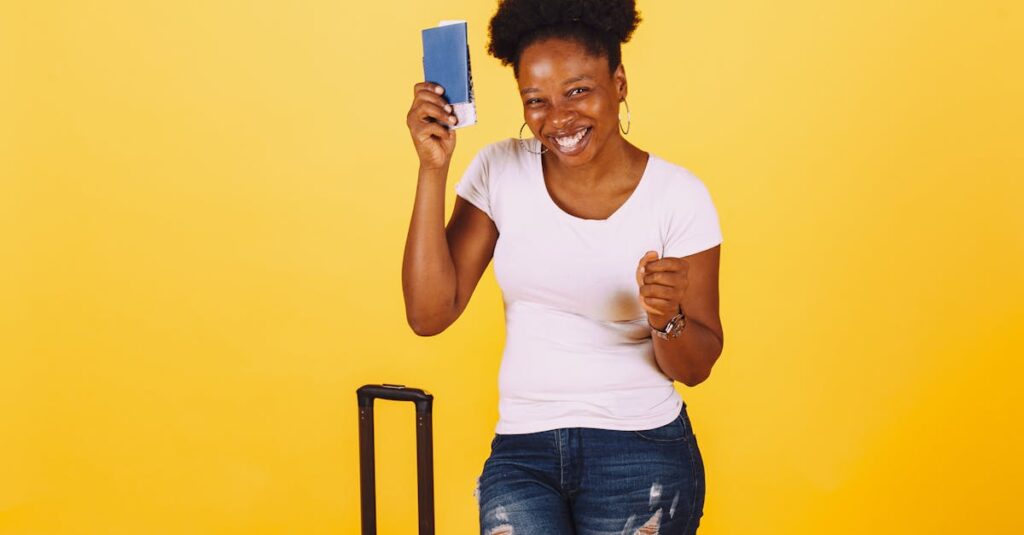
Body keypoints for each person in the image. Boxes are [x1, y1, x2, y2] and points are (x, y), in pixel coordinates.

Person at [402, 1, 723, 533]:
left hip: (641, 451)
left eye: (578, 90)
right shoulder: (499, 171)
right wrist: (433, 169)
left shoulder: (679, 196)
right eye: (536, 101)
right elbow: (428, 314)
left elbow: (695, 367)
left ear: (618, 82)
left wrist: (666, 317)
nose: (559, 119)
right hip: (523, 452)